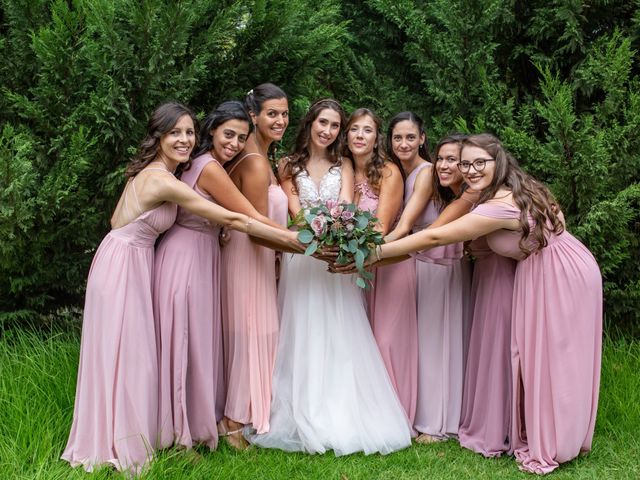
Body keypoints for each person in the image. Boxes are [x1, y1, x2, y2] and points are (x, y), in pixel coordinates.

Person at [61, 102, 300, 474]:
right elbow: (233, 216)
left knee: (132, 354)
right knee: (126, 354)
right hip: (124, 265)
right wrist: (299, 243)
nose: (184, 139)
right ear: (159, 136)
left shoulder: (161, 172)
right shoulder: (162, 179)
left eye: (189, 132)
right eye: (176, 133)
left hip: (132, 259)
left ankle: (126, 434)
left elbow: (117, 218)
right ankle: (117, 441)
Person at [370, 133, 602, 474]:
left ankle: (554, 439)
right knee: (548, 358)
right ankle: (552, 430)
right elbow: (555, 214)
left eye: (480, 162)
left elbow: (435, 236)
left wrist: (372, 253)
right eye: (466, 163)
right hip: (560, 264)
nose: (471, 169)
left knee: (554, 359)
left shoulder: (498, 205)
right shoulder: (518, 187)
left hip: (558, 274)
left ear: (499, 162)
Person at [248, 99, 412, 455]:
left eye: (335, 125)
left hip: (335, 257)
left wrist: (339, 237)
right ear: (310, 123)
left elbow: (347, 206)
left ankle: (342, 412)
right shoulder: (287, 165)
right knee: (302, 329)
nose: (328, 131)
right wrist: (317, 232)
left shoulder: (344, 164)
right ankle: (301, 409)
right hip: (302, 257)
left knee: (340, 332)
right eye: (323, 122)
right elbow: (295, 211)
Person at [153, 101, 293, 453]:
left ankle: (192, 425)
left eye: (241, 137)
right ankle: (183, 436)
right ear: (212, 130)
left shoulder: (203, 164)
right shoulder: (210, 168)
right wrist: (305, 243)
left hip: (196, 253)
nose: (233, 142)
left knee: (194, 342)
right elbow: (249, 217)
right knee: (186, 341)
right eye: (228, 134)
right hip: (188, 257)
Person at [383, 134, 469, 443]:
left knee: (440, 341)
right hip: (421, 265)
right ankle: (423, 413)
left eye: (453, 160)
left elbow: (431, 234)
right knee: (426, 344)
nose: (444, 166)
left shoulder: (465, 197)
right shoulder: (435, 184)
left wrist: (376, 253)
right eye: (443, 159)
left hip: (442, 267)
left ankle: (438, 422)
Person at [219, 83, 290, 448]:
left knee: (256, 332)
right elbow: (258, 228)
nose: (280, 120)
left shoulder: (263, 157)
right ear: (254, 116)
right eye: (272, 114)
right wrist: (302, 248)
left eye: (284, 114)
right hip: (249, 255)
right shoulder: (256, 162)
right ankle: (232, 419)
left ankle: (244, 410)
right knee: (254, 332)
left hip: (259, 256)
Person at [346, 108, 418, 429]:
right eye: (354, 130)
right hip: (355, 268)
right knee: (363, 340)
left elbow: (380, 227)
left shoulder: (388, 172)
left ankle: (398, 417)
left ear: (377, 139)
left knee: (388, 340)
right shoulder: (343, 169)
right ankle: (365, 412)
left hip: (389, 264)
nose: (360, 136)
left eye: (368, 131)